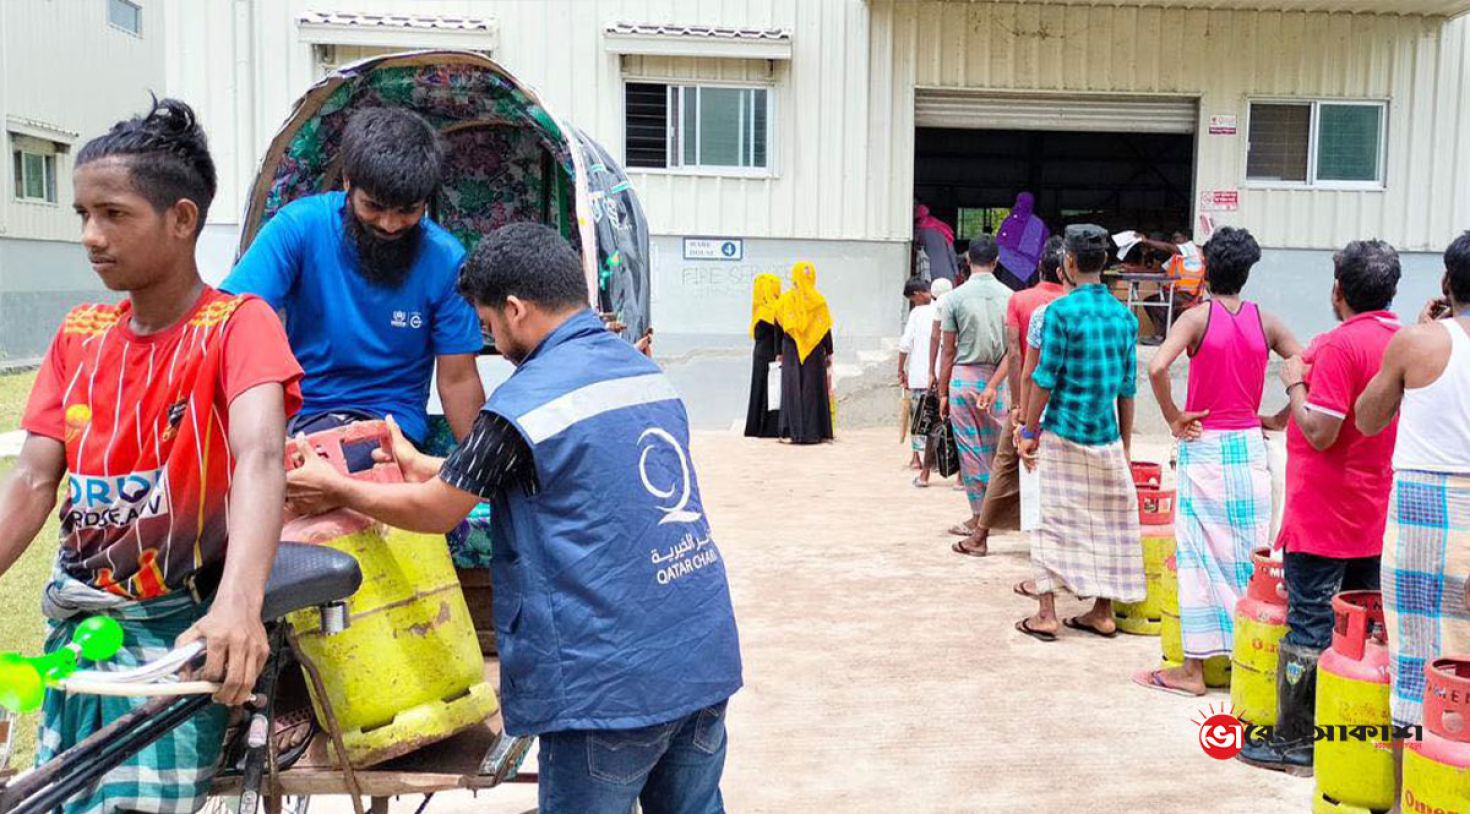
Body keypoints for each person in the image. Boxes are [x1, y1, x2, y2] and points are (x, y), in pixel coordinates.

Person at [284, 223, 742, 814]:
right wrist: (421, 462)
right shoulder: (639, 371)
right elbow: (547, 472)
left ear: (517, 310)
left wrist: (338, 490)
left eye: (488, 327)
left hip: (607, 688)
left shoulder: (526, 400)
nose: (492, 343)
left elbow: (436, 512)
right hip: (699, 656)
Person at [0, 99, 303, 814]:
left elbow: (260, 456)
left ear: (182, 219)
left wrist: (238, 606)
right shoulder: (81, 335)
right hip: (78, 620)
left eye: (113, 214)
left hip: (180, 629)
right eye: (81, 214)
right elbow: (32, 478)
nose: (90, 236)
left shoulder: (238, 326)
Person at [223, 107, 485, 453]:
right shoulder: (299, 227)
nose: (389, 224)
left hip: (390, 427)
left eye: (407, 211)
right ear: (348, 181)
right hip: (301, 417)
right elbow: (231, 317)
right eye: (374, 206)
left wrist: (483, 472)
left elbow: (458, 379)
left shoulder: (446, 260)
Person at [1238, 239, 1402, 774]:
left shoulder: (1338, 346)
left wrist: (1295, 385)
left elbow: (1323, 430)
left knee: (1308, 624)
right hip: (1373, 512)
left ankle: (1296, 742)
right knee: (1360, 628)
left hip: (1325, 513)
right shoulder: (1402, 342)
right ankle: (1345, 735)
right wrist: (1284, 414)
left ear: (1337, 291)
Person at [1132, 227, 1302, 696]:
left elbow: (1156, 366)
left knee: (1197, 557)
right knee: (1248, 555)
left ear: (1205, 268)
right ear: (1247, 272)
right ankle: (1247, 656)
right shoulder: (1265, 320)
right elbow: (1307, 363)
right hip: (1248, 445)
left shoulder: (1196, 318)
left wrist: (1172, 416)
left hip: (1204, 442)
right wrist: (1284, 415)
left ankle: (1192, 670)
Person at [1355, 230, 1470, 731]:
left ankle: (1414, 796)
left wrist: (1419, 337)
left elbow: (1367, 419)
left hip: (1422, 512)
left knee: (1416, 653)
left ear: (1446, 282)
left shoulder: (1415, 342)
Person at [1014, 224, 1144, 641]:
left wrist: (1029, 430)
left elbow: (1043, 376)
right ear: (1104, 263)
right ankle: (1102, 612)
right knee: (1109, 521)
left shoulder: (1060, 313)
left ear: (1067, 263)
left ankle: (1047, 612)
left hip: (1062, 429)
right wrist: (1125, 444)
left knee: (1049, 520)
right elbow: (1127, 387)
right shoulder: (1124, 318)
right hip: (1105, 435)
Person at [940, 235, 1013, 555]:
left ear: (968, 261)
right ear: (996, 262)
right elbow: (1015, 350)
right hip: (997, 380)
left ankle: (978, 518)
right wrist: (995, 383)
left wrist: (941, 391)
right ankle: (998, 516)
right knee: (1000, 451)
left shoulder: (954, 299)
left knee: (971, 454)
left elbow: (948, 350)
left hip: (962, 379)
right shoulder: (1011, 297)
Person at [777, 262, 835, 445]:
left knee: (792, 389)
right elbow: (825, 328)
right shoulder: (819, 301)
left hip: (791, 349)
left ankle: (790, 431)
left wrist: (778, 352)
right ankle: (814, 433)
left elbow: (779, 327)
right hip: (814, 351)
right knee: (812, 389)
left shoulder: (785, 301)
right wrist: (829, 351)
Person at [898, 277, 936, 474]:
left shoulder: (917, 313)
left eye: (913, 300)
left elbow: (905, 344)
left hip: (919, 376)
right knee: (938, 417)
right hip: (939, 375)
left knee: (918, 416)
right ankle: (937, 459)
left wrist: (900, 370)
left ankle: (916, 458)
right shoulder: (942, 308)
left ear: (918, 295)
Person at [744, 273, 783, 438]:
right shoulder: (770, 311)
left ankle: (755, 426)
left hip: (761, 354)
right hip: (769, 355)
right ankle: (767, 428)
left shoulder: (760, 309)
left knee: (761, 389)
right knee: (770, 390)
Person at [995, 192, 1050, 291]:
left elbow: (999, 245)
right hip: (1031, 274)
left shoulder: (1009, 222)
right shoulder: (1038, 224)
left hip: (1010, 272)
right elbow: (1045, 246)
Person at [914, 203, 959, 283]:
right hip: (948, 274)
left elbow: (917, 251)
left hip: (929, 275)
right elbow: (951, 252)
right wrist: (956, 272)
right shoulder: (942, 228)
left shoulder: (919, 231)